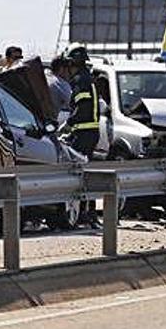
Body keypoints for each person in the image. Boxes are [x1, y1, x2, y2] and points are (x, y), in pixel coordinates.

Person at [65, 43, 101, 228]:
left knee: (79, 174)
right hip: (90, 132)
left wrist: (67, 124)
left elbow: (82, 107)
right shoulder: (89, 78)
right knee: (86, 172)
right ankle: (88, 212)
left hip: (83, 133)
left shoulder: (80, 81)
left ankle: (84, 213)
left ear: (73, 63)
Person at [46, 55, 73, 124]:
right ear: (61, 69)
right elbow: (73, 104)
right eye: (68, 68)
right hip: (50, 123)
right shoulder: (60, 84)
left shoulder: (46, 77)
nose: (70, 72)